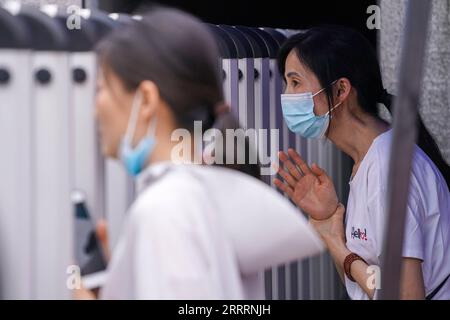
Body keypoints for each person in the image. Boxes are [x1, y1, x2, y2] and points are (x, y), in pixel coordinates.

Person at [75, 7, 323, 299]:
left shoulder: (165, 210)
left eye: (102, 89)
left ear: (145, 100)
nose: (95, 109)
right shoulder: (214, 195)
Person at [274, 26, 450, 300]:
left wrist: (339, 247)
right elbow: (365, 288)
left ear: (341, 90)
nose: (287, 95)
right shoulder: (370, 159)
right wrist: (330, 221)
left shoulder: (387, 168)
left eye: (295, 82)